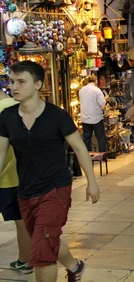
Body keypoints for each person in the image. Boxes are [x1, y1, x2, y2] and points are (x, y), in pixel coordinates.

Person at [0, 61, 100, 282]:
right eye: (12, 81)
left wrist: (92, 181)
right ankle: (74, 266)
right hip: (25, 191)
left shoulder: (57, 116)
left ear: (37, 84)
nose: (14, 86)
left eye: (21, 82)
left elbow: (80, 147)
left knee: (42, 252)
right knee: (44, 238)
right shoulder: (7, 117)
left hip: (55, 189)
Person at [0, 89, 32, 275]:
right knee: (22, 221)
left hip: (4, 177)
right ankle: (25, 260)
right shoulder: (15, 106)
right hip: (19, 175)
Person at [78, 75, 106, 152]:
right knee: (100, 137)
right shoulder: (97, 90)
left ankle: (88, 156)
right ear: (95, 81)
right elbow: (102, 103)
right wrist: (105, 99)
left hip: (85, 118)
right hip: (96, 118)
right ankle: (102, 155)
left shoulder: (81, 90)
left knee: (87, 138)